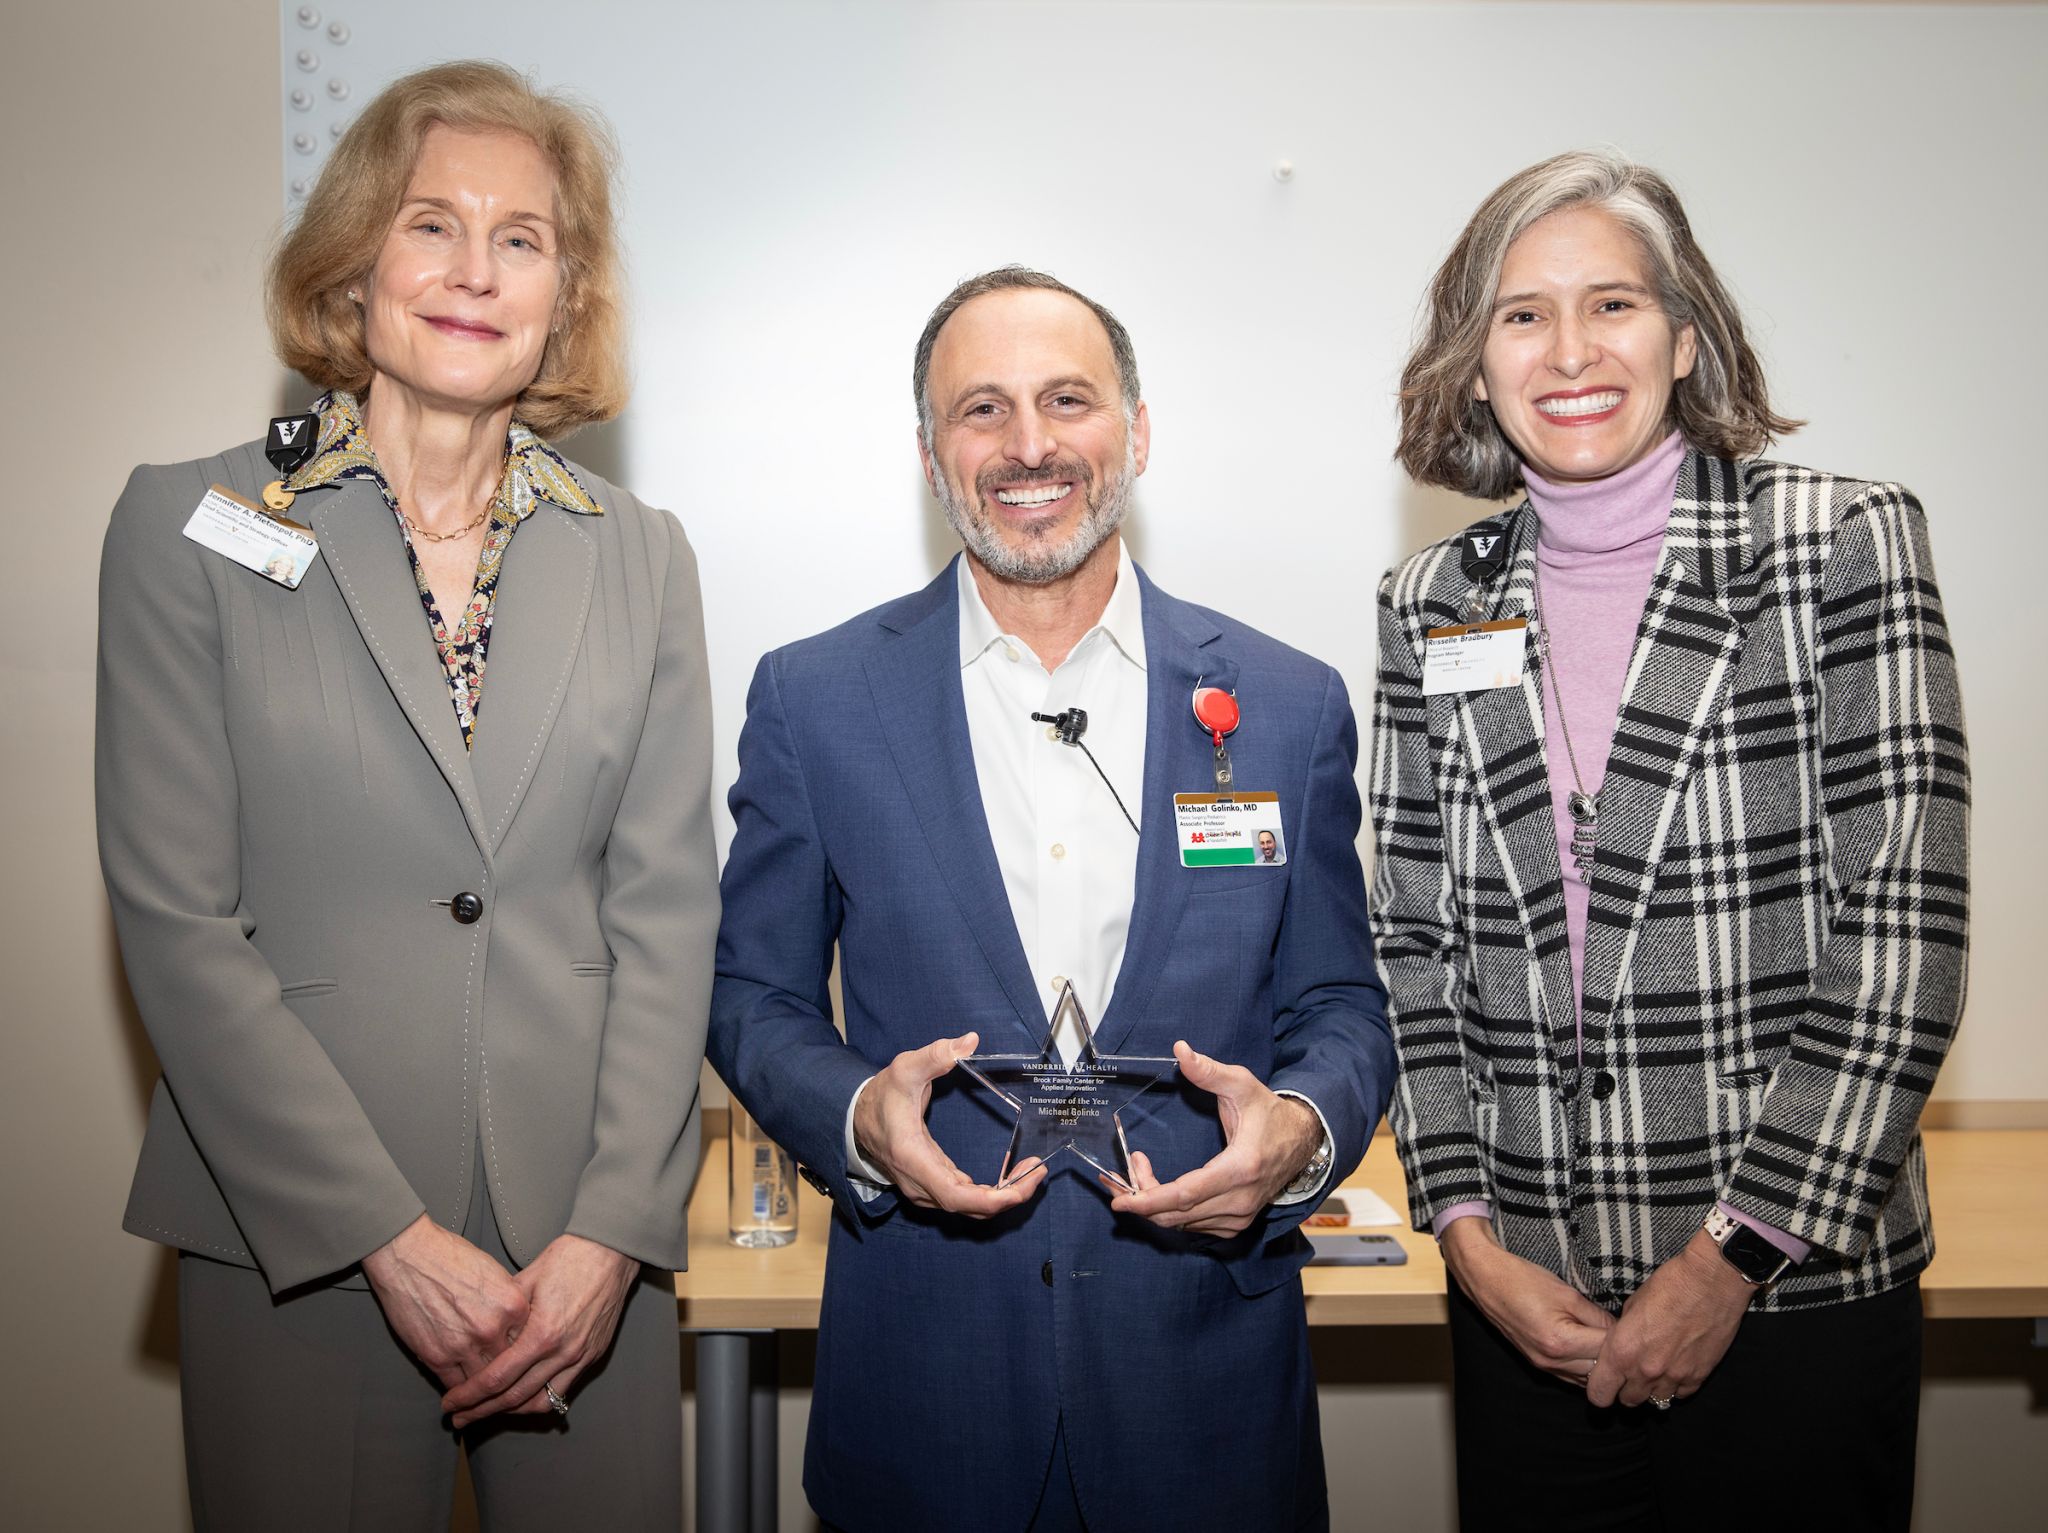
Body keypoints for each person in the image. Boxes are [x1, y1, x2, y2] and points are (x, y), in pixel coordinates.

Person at [95, 62, 717, 1530]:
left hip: (583, 1256)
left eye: (523, 239)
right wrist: (383, 1233)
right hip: (295, 1231)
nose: (475, 271)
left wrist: (613, 1232)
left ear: (564, 297)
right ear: (354, 262)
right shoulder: (192, 528)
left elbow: (668, 910)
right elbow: (181, 924)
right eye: (432, 224)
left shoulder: (644, 555)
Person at [709, 266, 1392, 1532]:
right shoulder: (815, 700)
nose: (1028, 446)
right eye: (981, 409)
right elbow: (752, 994)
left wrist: (1296, 1129)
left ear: (1135, 431)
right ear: (928, 453)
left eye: (1066, 400)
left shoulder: (1288, 707)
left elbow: (1343, 1004)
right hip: (926, 1395)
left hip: (1209, 1399)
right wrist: (860, 1113)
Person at [1371, 149, 1968, 1531]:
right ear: (1474, 365)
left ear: (1685, 337)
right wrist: (1466, 1237)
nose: (1570, 351)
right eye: (1521, 315)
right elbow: (1412, 940)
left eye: (1614, 306)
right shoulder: (1433, 601)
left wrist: (1727, 1260)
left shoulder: (1836, 543)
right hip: (1532, 1307)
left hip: (1791, 1291)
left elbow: (1905, 938)